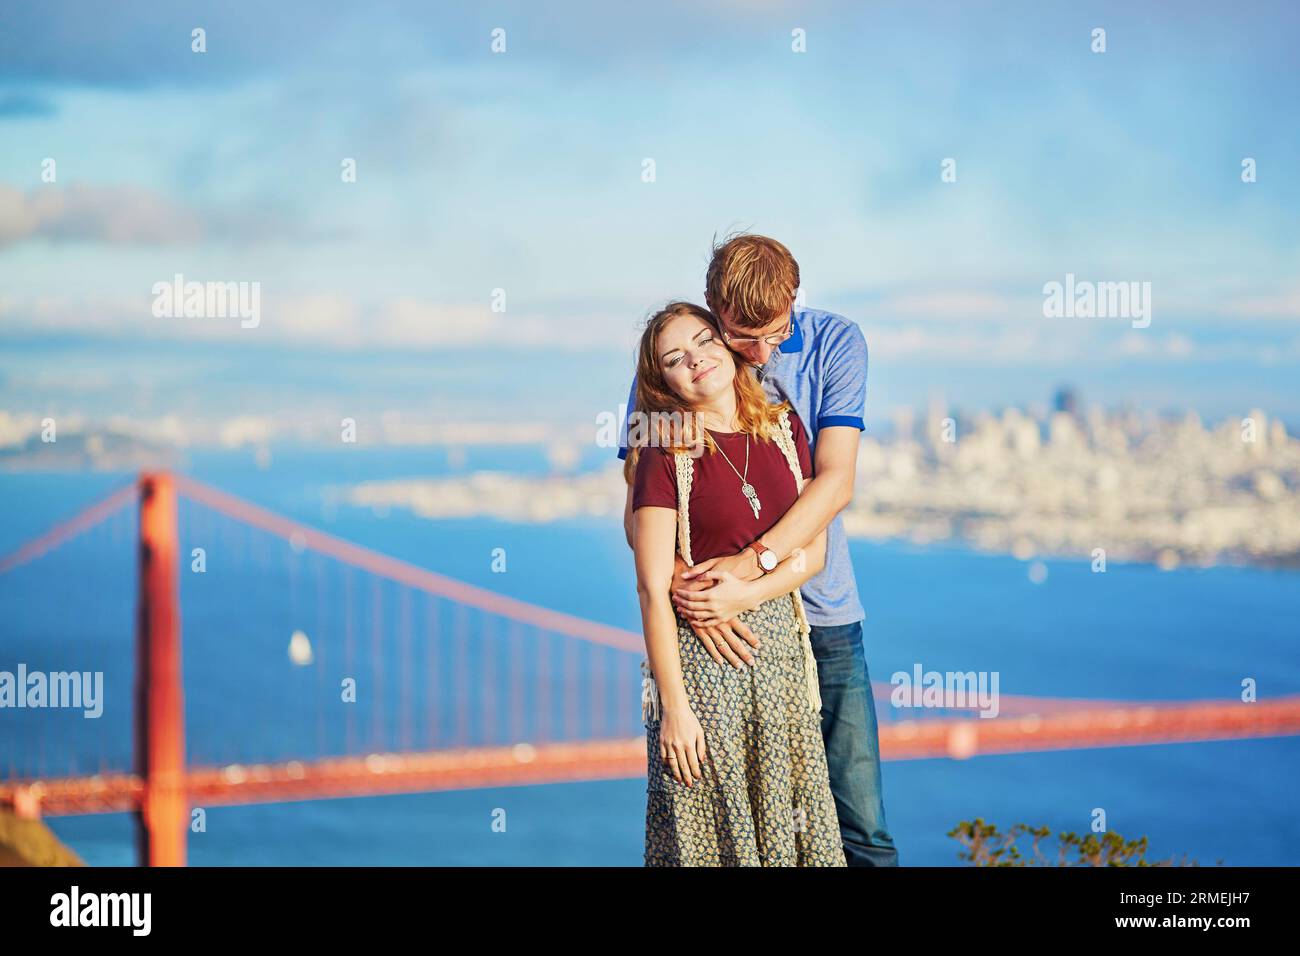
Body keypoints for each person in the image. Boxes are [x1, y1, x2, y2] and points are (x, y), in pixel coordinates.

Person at [619, 233, 899, 867]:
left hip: (821, 617)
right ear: (717, 308)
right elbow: (638, 511)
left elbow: (836, 483)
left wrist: (746, 575)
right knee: (731, 836)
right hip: (712, 639)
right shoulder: (682, 358)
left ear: (793, 300)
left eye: (775, 333)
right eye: (744, 336)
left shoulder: (834, 346)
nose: (762, 353)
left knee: (858, 828)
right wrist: (687, 588)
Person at [628, 300, 843, 866]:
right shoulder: (663, 450)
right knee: (715, 845)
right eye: (675, 358)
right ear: (663, 381)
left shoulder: (782, 424)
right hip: (704, 674)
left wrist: (744, 591)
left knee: (796, 834)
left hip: (785, 670)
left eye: (702, 341)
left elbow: (813, 553)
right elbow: (652, 588)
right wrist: (672, 707)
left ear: (726, 342)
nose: (695, 360)